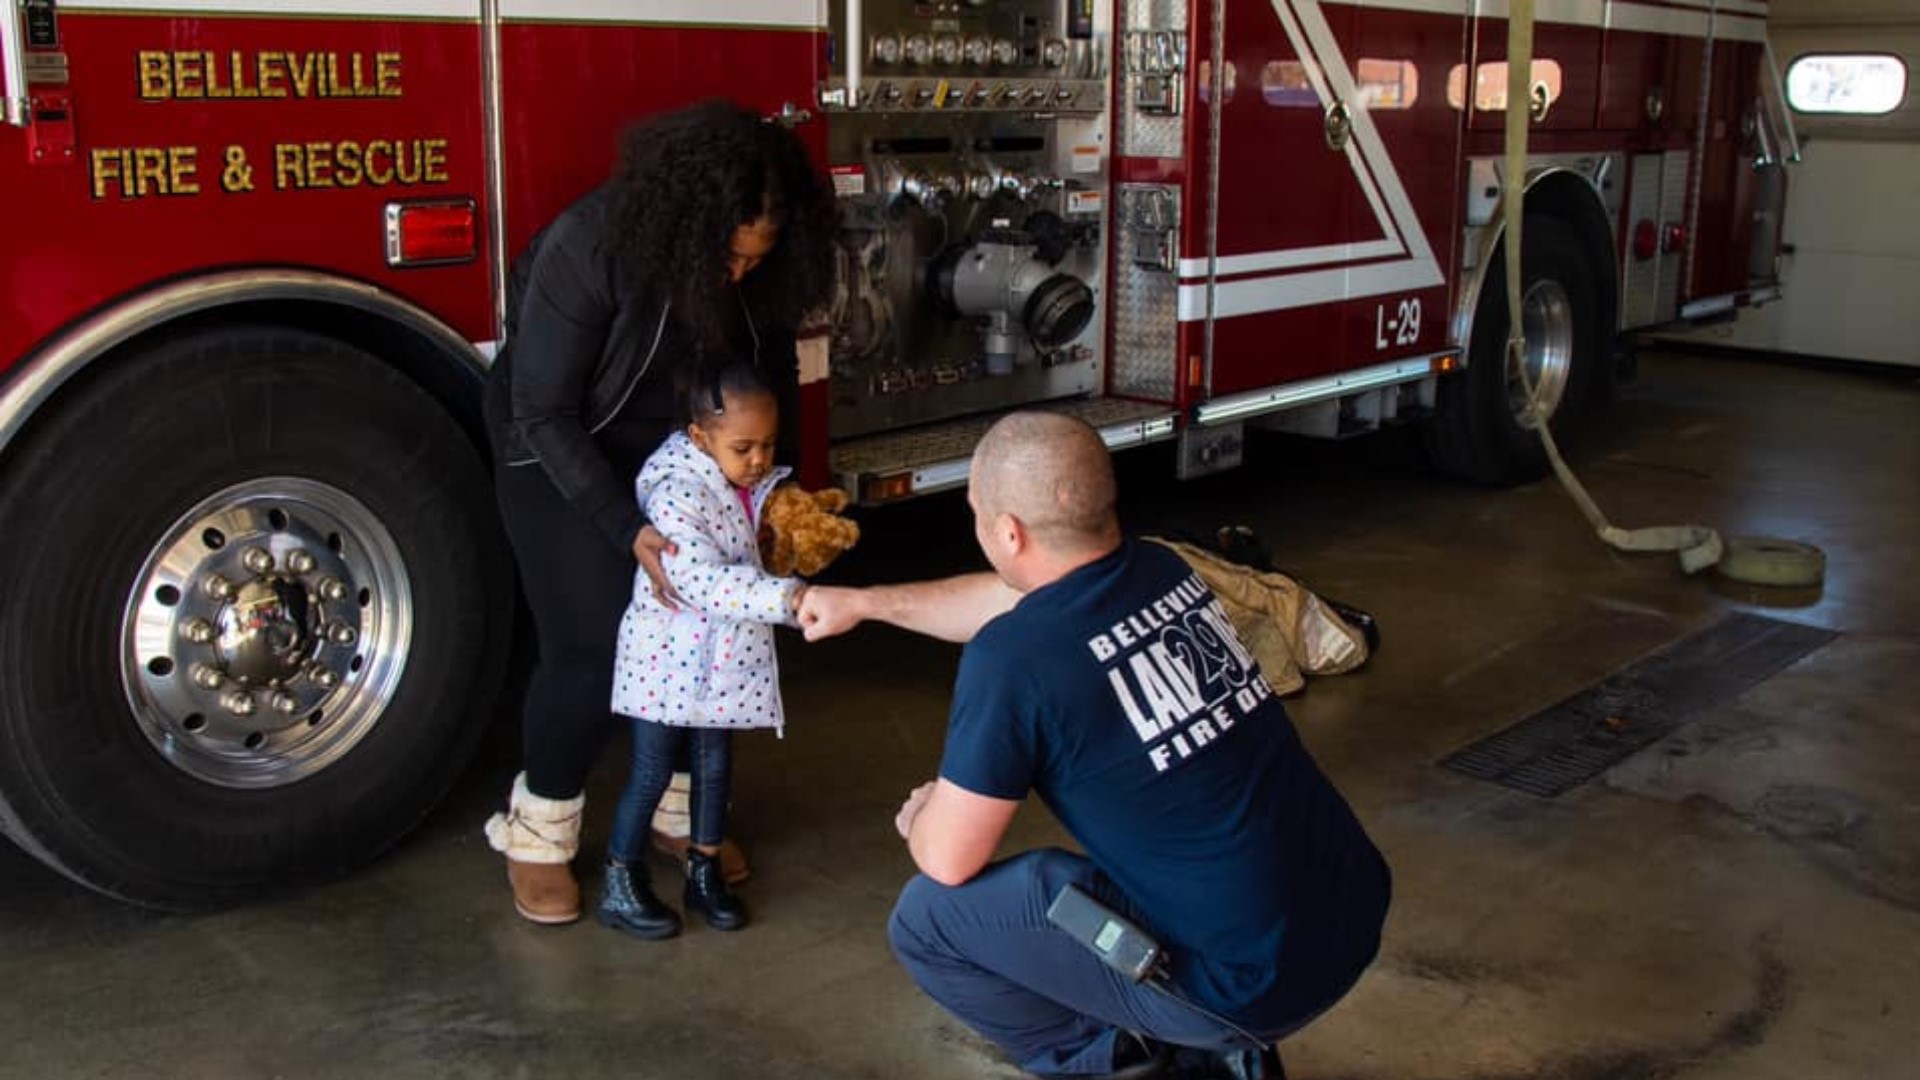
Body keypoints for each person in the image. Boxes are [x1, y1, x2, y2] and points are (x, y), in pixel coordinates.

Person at [796, 413, 1392, 1080]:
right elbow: (1012, 600)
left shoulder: (1013, 661)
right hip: (1348, 910)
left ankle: (1137, 1063)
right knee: (1064, 881)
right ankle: (1200, 1043)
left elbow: (947, 858)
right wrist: (867, 604)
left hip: (1250, 985)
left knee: (930, 922)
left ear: (1007, 531)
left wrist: (927, 815)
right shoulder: (1164, 571)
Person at [481, 99, 836, 925]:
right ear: (686, 223)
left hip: (691, 452)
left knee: (713, 625)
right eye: (729, 257)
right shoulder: (590, 245)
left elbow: (774, 385)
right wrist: (623, 528)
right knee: (592, 643)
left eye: (758, 259)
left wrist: (779, 491)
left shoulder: (764, 270)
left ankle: (682, 814)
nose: (741, 276)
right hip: (563, 450)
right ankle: (540, 828)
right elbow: (541, 411)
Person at [599, 363, 810, 939]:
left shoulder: (743, 484)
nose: (759, 460)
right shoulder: (677, 496)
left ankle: (704, 870)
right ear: (700, 438)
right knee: (651, 771)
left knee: (715, 769)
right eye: (743, 447)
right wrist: (787, 597)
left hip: (722, 663)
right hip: (664, 666)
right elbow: (700, 580)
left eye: (768, 445)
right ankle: (620, 879)